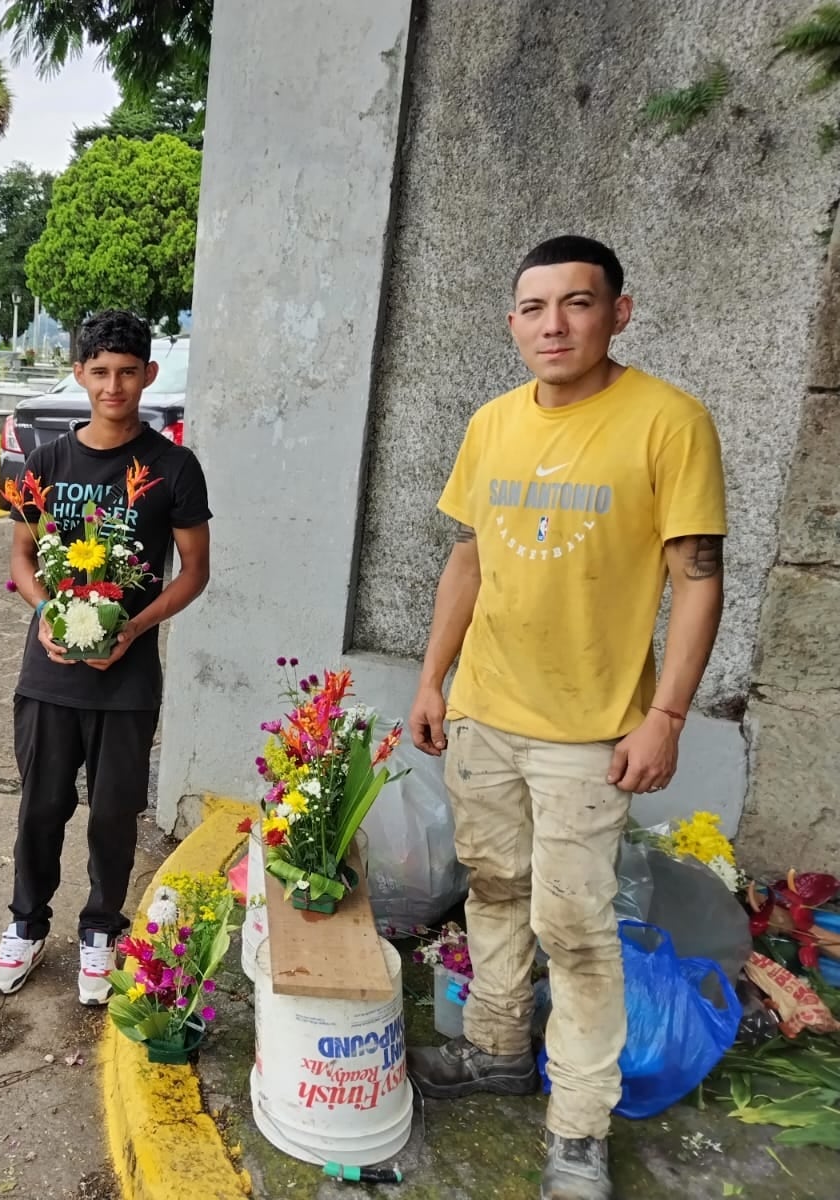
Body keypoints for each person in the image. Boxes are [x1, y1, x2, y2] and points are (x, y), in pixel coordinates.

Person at [405, 236, 726, 1200]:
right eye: (534, 308)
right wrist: (434, 680)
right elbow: (468, 557)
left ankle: (579, 1125)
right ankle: (499, 1050)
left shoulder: (669, 422)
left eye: (577, 304)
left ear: (617, 312)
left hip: (591, 730)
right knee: (495, 889)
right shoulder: (493, 423)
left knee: (577, 925)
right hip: (485, 714)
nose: (554, 325)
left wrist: (666, 713)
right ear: (512, 322)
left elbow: (698, 580)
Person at [0, 309, 212, 1004]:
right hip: (49, 675)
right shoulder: (49, 462)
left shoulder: (173, 466)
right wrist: (47, 610)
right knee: (40, 808)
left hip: (127, 679)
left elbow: (195, 571)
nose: (114, 386)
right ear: (80, 373)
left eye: (127, 373)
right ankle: (25, 925)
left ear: (147, 374)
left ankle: (99, 931)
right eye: (100, 372)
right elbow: (23, 556)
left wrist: (135, 627)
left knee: (115, 812)